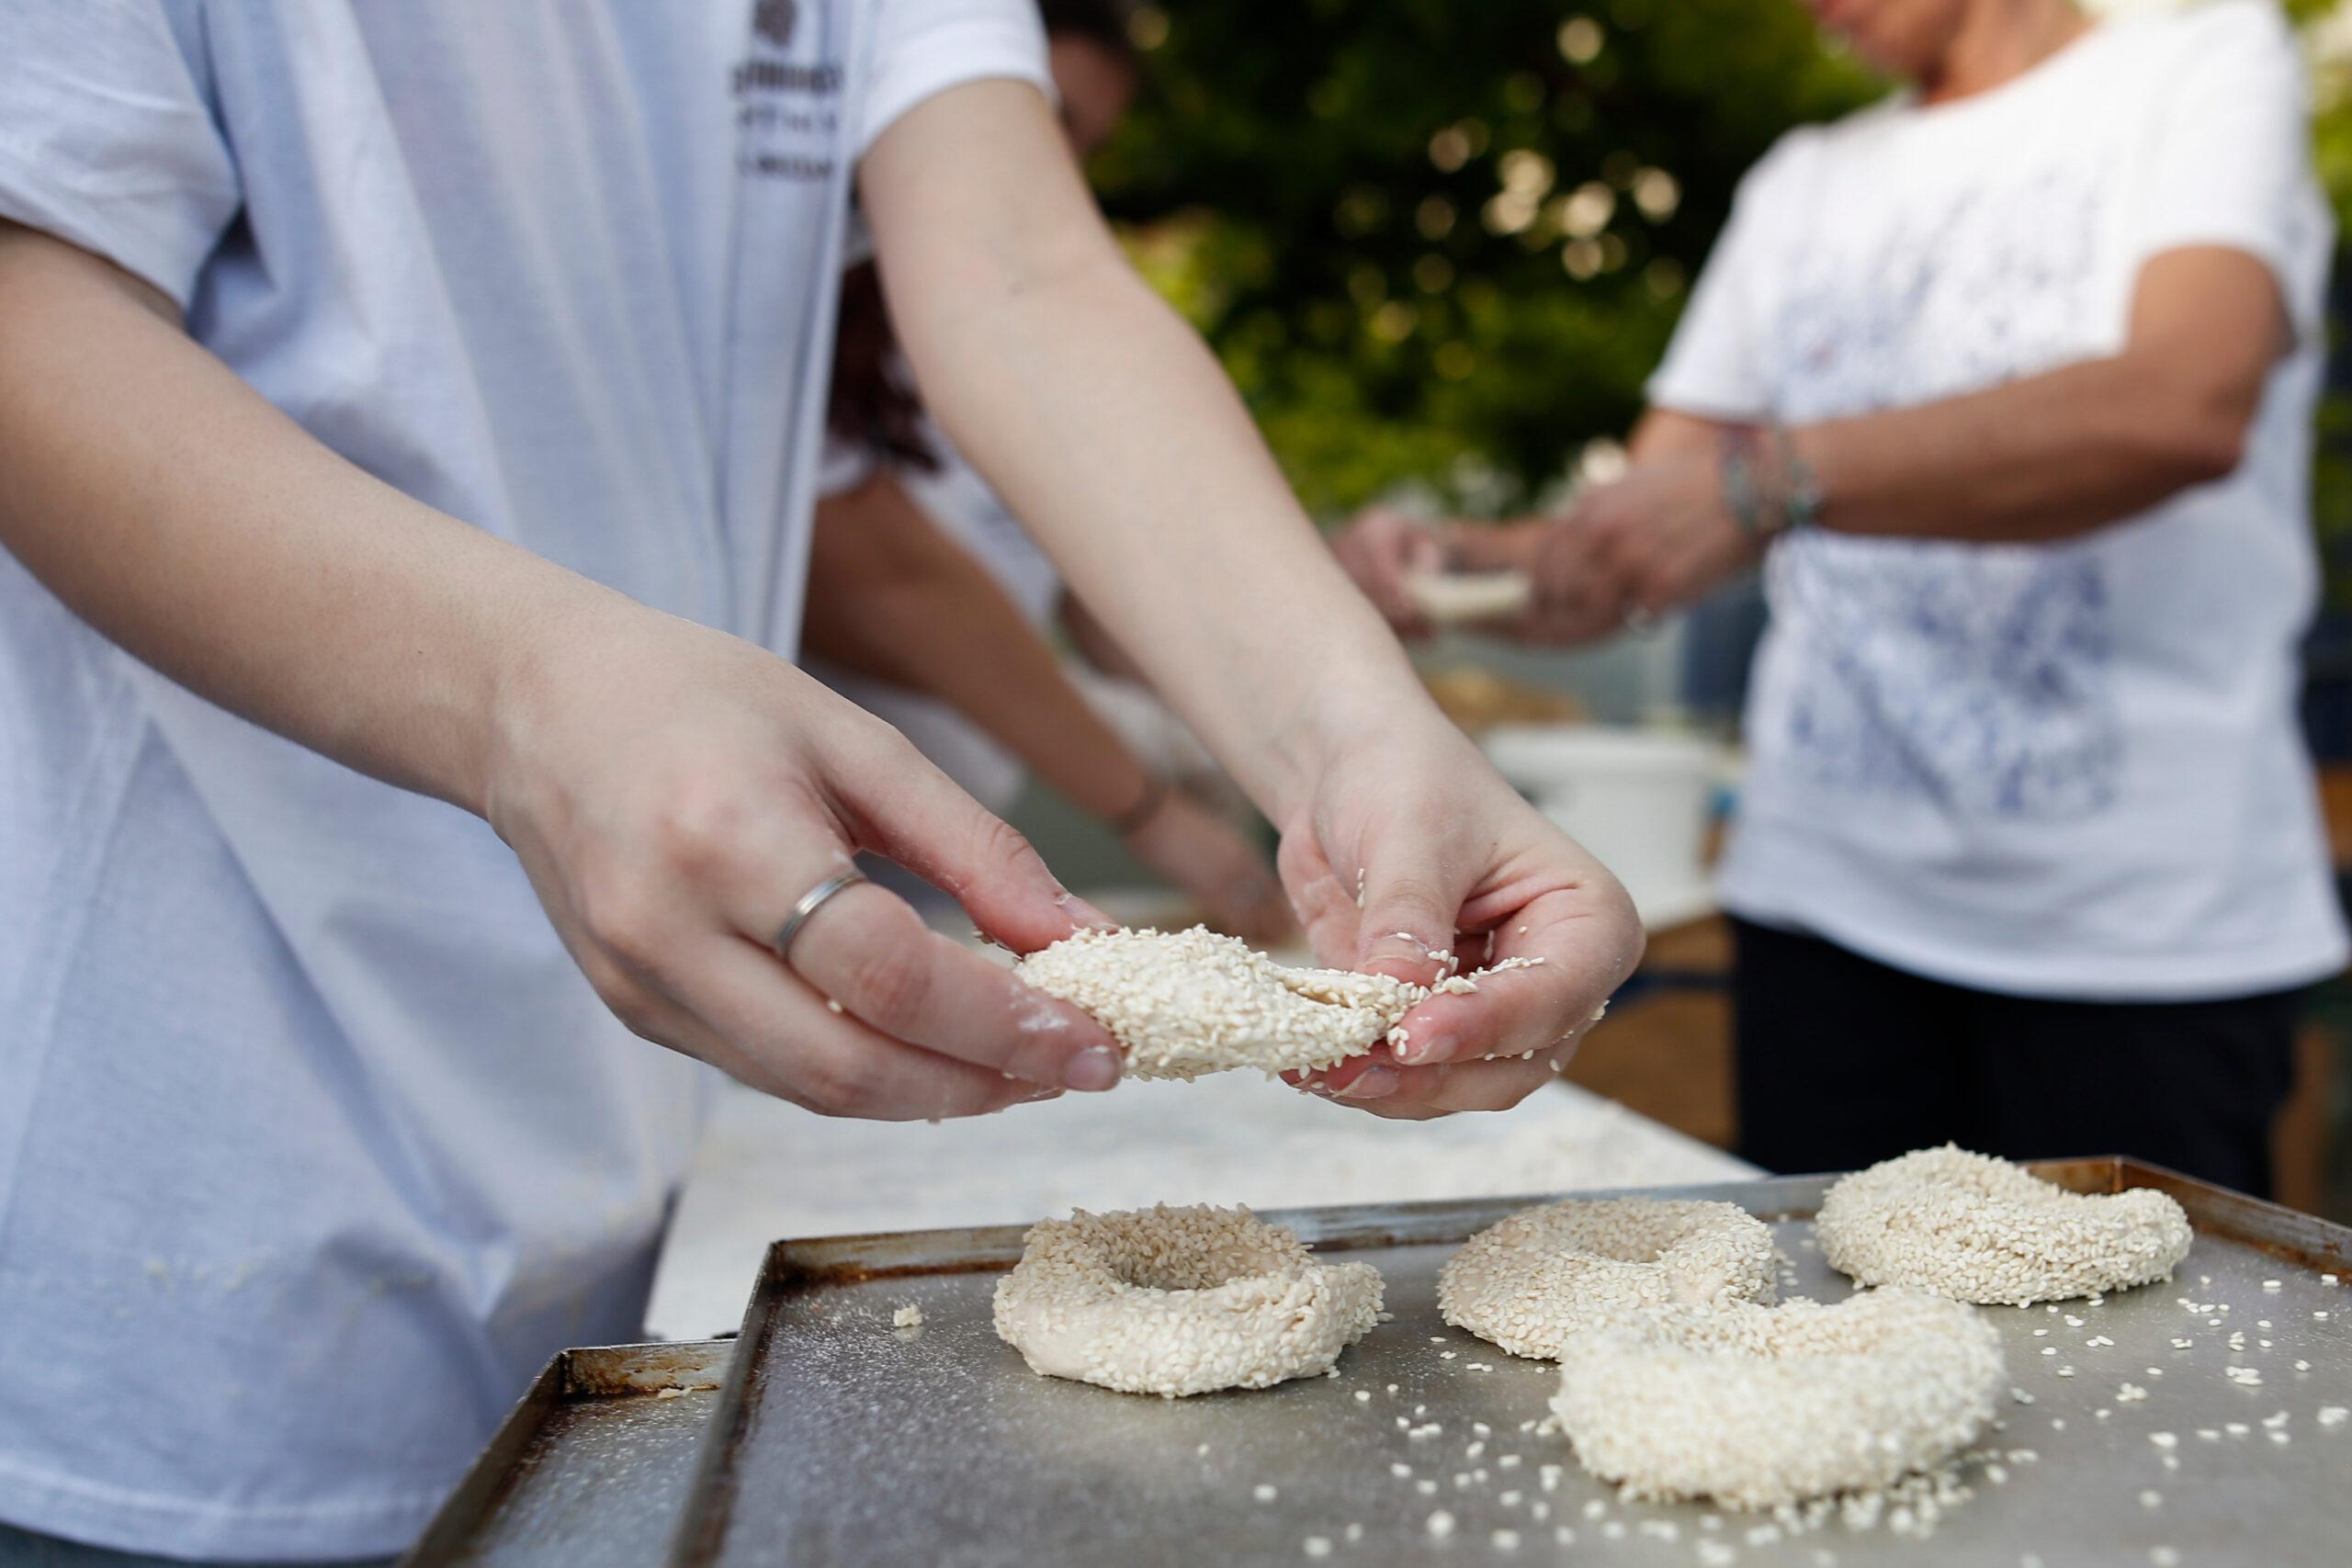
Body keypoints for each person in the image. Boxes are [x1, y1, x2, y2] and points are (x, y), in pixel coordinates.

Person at [0, 2, 1639, 1561]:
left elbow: (1019, 274)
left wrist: (1357, 731)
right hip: (186, 1203)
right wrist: (529, 703)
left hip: (655, 1194)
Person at [1341, 0, 2346, 1196]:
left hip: (2139, 929)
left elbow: (2182, 402)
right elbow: (1652, 529)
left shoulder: (2201, 62)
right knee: (1834, 1352)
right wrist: (1446, 571)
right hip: (1827, 914)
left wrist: (1769, 481)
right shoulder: (1804, 183)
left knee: (2141, 1363)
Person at [808, 0, 1295, 942]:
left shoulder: (946, 335)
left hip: (916, 852)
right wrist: (1149, 809)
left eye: (1088, 146)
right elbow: (886, 581)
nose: (1055, 171)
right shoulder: (820, 319)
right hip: (809, 835)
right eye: (1044, 123)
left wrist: (1235, 716)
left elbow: (1090, 579)